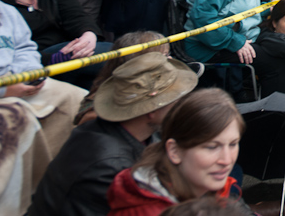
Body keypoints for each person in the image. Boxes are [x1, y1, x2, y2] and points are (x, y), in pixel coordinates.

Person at [27, 53, 198, 216]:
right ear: (152, 109)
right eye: (176, 99)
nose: (181, 105)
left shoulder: (134, 135)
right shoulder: (109, 166)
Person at [0, 0, 88, 215]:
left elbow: (24, 48)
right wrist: (5, 91)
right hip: (5, 91)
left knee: (76, 98)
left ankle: (56, 186)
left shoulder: (6, 11)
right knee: (18, 118)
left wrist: (30, 75)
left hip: (16, 82)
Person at [105, 88, 246, 216]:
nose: (227, 160)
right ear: (174, 151)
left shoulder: (204, 183)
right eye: (211, 147)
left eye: (233, 144)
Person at [0, 0, 110, 88]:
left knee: (101, 73)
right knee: (114, 55)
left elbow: (76, 16)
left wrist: (88, 35)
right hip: (35, 61)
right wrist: (55, 58)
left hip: (70, 48)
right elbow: (11, 49)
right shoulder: (3, 7)